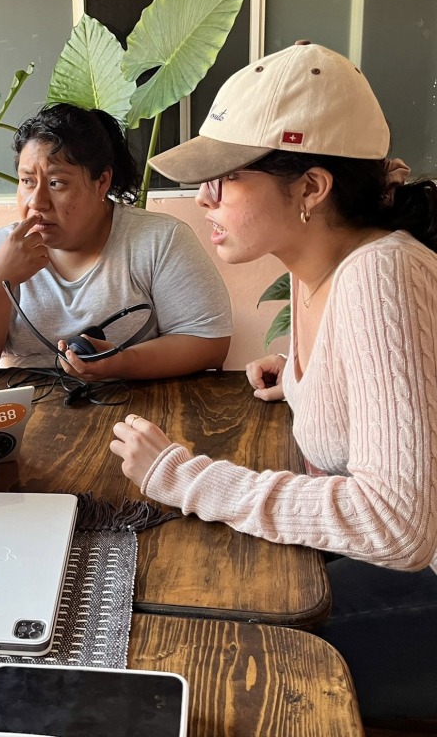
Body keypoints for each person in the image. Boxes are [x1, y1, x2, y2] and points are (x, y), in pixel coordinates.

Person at [110, 41, 437, 719]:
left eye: (225, 176)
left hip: (424, 572)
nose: (204, 198)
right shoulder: (318, 265)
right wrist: (298, 376)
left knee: (201, 672)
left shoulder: (382, 276)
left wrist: (184, 476)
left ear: (311, 187)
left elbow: (399, 524)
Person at [0, 103, 232, 381]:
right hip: (27, 410)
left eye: (57, 183)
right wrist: (0, 277)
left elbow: (209, 344)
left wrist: (120, 363)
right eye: (27, 181)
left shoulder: (159, 241)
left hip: (137, 412)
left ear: (102, 182)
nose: (37, 202)